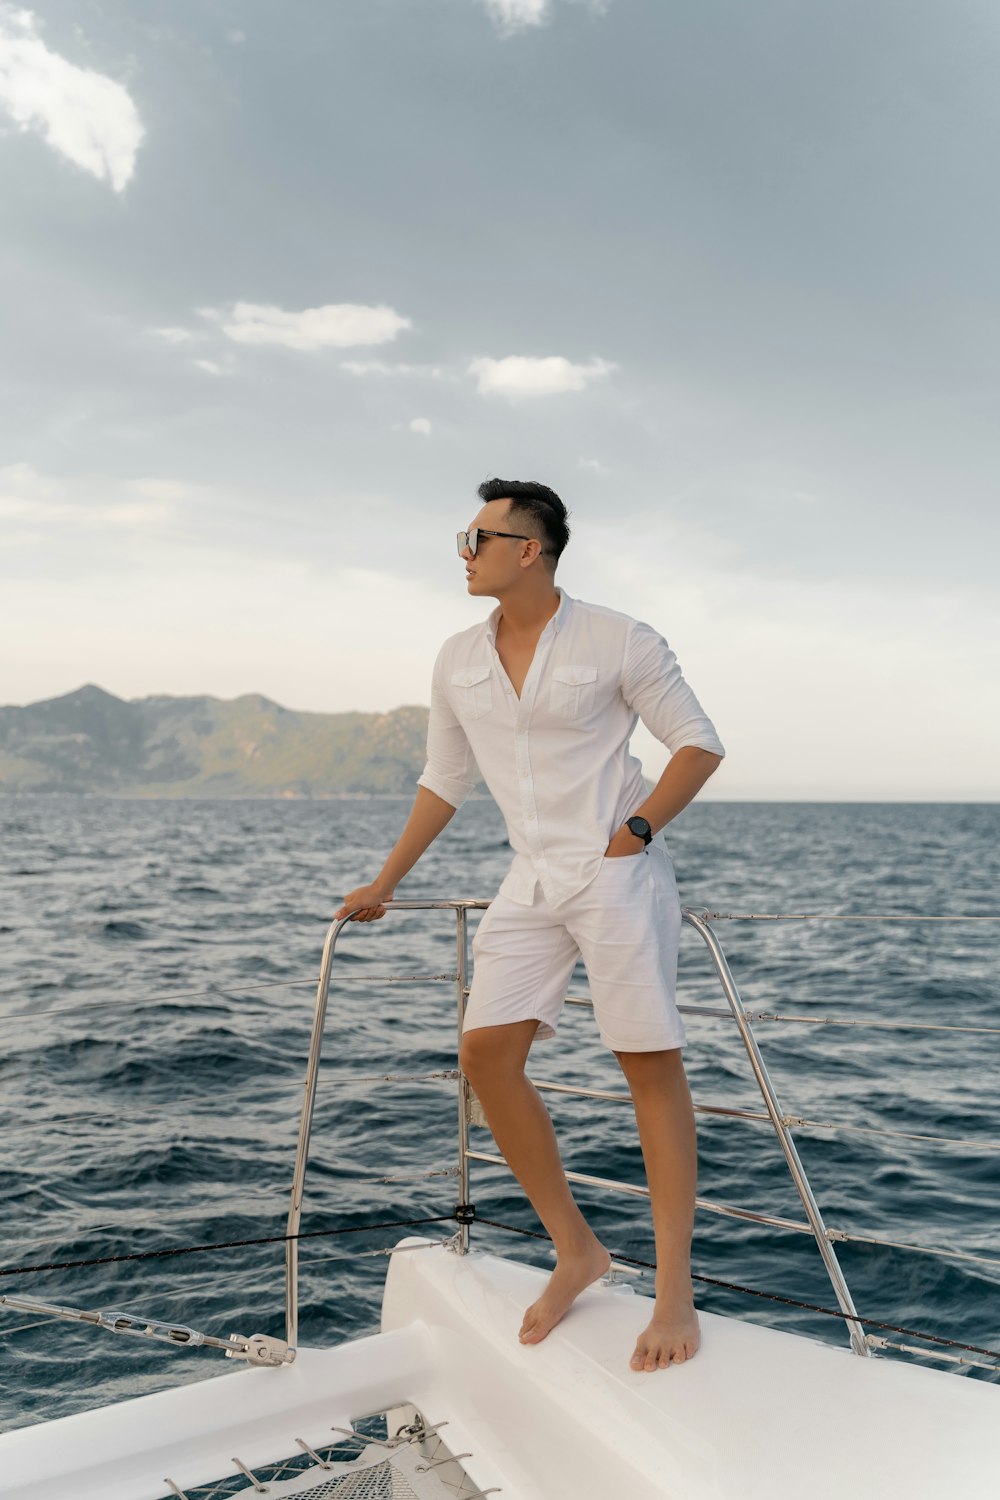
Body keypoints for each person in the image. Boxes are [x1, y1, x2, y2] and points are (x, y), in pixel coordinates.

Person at [335, 477, 725, 1373]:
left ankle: (674, 1294)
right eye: (463, 538)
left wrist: (636, 833)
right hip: (530, 879)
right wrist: (386, 881)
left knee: (646, 1066)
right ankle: (577, 1249)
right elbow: (445, 781)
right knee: (485, 1055)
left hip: (616, 875)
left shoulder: (620, 637)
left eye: (478, 537)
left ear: (529, 551)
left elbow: (697, 742)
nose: (464, 553)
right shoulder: (456, 657)